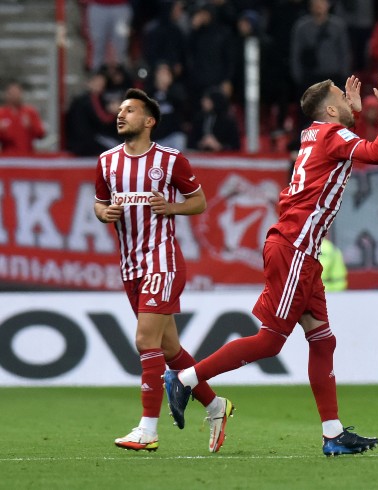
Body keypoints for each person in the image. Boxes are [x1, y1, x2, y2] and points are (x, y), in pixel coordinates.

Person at [164, 72, 378, 456]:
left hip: (301, 251)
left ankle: (333, 433)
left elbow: (345, 145)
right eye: (341, 97)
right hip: (294, 248)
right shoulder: (331, 135)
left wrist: (354, 115)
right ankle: (186, 378)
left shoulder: (316, 134)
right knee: (271, 340)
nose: (347, 98)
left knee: (323, 340)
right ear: (329, 111)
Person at [94, 88, 233, 453]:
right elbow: (99, 203)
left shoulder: (170, 160)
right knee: (170, 349)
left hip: (162, 260)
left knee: (145, 341)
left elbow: (199, 202)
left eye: (130, 110)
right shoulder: (107, 162)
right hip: (130, 266)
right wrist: (104, 213)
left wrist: (172, 207)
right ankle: (216, 406)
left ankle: (148, 429)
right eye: (120, 110)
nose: (120, 114)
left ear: (149, 121)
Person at [0, 81, 46, 155]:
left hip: (27, 155)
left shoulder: (30, 112)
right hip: (8, 156)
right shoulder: (2, 113)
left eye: (17, 93)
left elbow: (41, 133)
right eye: (12, 93)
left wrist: (31, 126)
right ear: (7, 95)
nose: (15, 96)